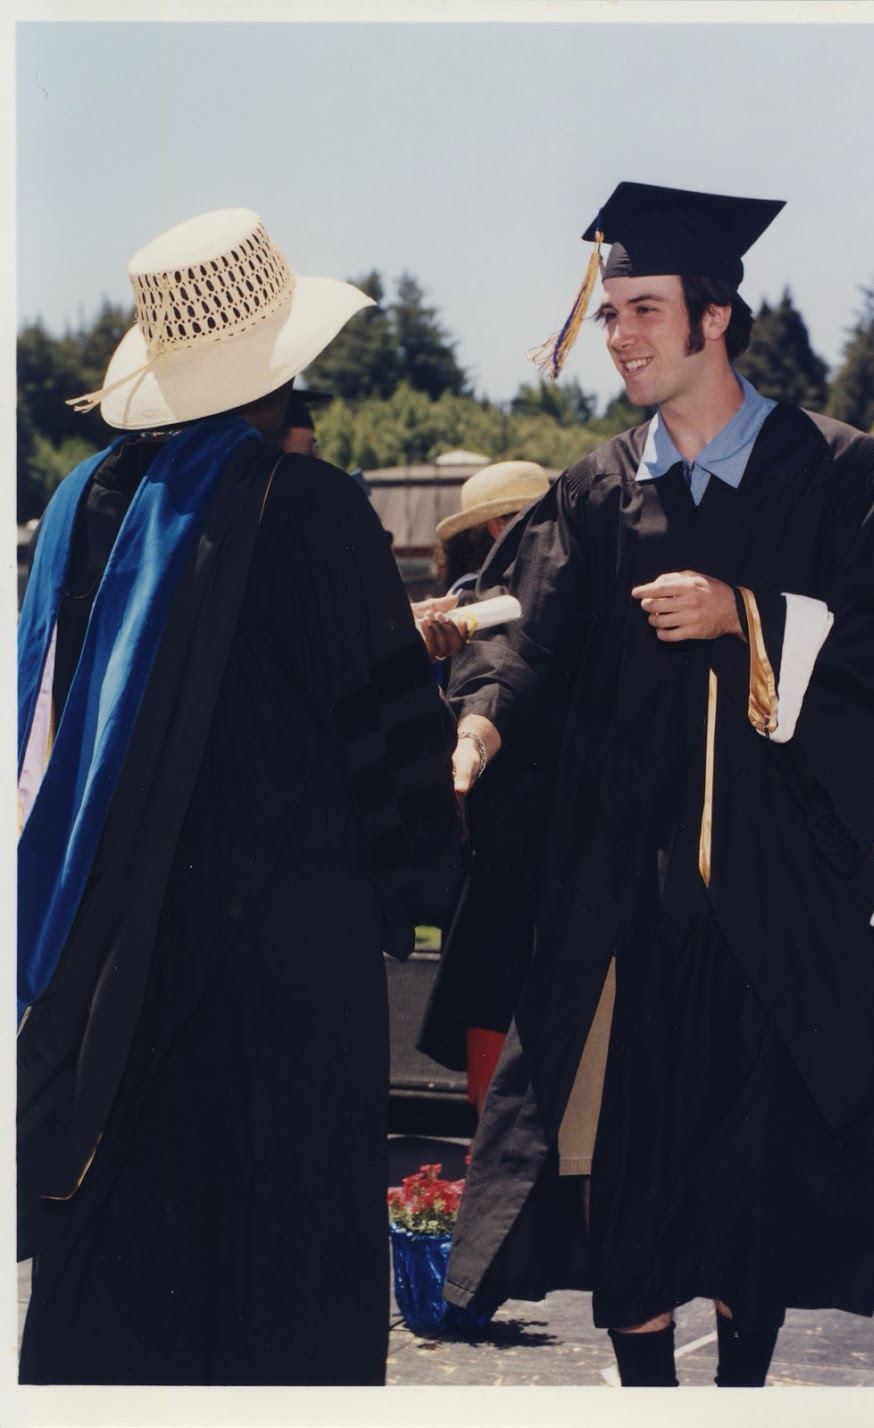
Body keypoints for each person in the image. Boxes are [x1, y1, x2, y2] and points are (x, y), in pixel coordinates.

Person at [439, 182, 874, 1389]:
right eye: (609, 313)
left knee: (752, 1183)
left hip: (774, 912)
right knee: (624, 1176)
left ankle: (742, 1393)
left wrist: (751, 616)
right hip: (623, 912)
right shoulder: (596, 490)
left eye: (644, 310)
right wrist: (487, 720)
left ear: (716, 316)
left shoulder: (838, 479)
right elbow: (525, 631)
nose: (620, 337)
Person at [16, 208, 461, 1386]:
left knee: (123, 1271)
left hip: (103, 960)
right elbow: (388, 738)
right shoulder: (306, 509)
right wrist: (428, 881)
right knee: (272, 1281)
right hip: (278, 968)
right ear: (281, 365)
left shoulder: (75, 514)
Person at [416, 462, 552, 1114]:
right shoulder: (483, 598)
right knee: (496, 985)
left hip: (498, 826)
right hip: (508, 820)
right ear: (501, 525)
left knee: (489, 982)